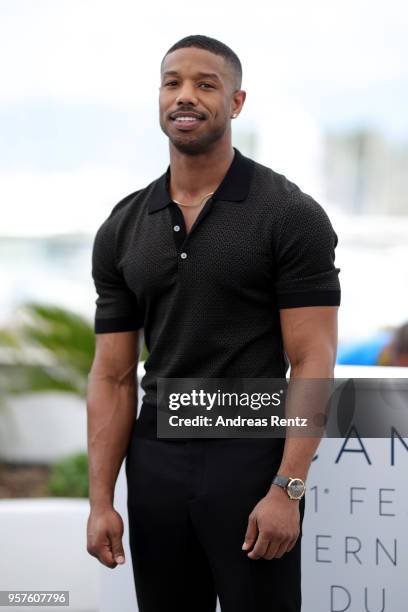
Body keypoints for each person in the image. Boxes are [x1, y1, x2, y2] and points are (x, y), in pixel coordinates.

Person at [86, 34, 341, 612]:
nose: (187, 96)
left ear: (237, 102)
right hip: (156, 463)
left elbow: (312, 359)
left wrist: (288, 488)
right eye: (173, 82)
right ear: (158, 96)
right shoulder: (124, 225)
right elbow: (113, 376)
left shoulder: (288, 213)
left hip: (253, 461)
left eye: (206, 84)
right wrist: (102, 500)